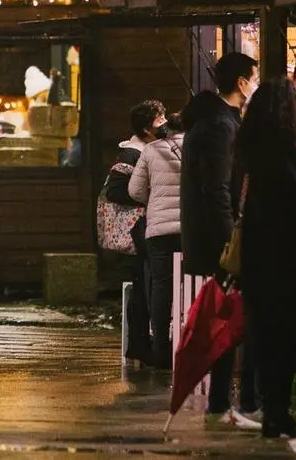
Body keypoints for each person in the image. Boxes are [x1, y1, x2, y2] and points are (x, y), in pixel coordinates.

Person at [235, 76, 296, 439]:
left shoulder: (250, 152)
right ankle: (278, 413)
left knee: (267, 337)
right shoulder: (288, 153)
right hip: (287, 261)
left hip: (259, 261)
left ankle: (273, 411)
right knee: (286, 337)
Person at [180, 51, 261, 428]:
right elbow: (217, 190)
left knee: (230, 317)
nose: (255, 84)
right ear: (242, 82)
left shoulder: (218, 122)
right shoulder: (220, 126)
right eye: (254, 77)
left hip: (218, 239)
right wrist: (234, 242)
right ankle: (233, 401)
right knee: (235, 319)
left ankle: (224, 400)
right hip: (223, 242)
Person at [107, 100, 166, 367]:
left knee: (145, 286)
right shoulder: (132, 153)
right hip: (137, 231)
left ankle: (141, 345)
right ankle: (140, 345)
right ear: (146, 128)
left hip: (146, 228)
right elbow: (115, 191)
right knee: (143, 288)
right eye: (158, 118)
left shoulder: (147, 149)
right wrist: (147, 197)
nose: (164, 122)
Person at [128, 112, 185, 370]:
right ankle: (190, 347)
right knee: (194, 285)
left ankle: (161, 351)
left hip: (160, 231)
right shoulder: (197, 147)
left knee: (161, 287)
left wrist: (155, 200)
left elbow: (135, 191)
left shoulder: (150, 150)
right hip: (190, 230)